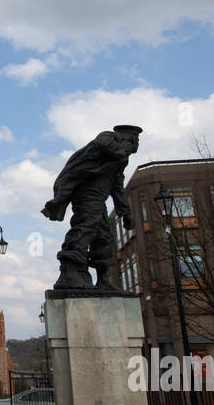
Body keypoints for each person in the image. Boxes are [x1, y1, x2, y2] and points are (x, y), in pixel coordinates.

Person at [42, 125, 142, 291]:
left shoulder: (120, 162)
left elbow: (117, 188)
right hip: (86, 196)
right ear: (125, 139)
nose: (134, 146)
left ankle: (103, 279)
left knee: (104, 236)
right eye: (133, 141)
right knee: (86, 228)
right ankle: (70, 274)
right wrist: (120, 152)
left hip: (99, 200)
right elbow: (102, 142)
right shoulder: (107, 138)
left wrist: (126, 214)